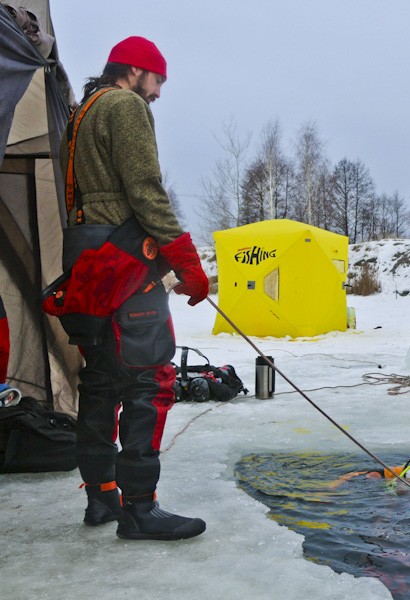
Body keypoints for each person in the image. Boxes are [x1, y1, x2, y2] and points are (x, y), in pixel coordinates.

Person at [53, 36, 208, 540]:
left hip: (83, 260)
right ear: (136, 71)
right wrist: (184, 257)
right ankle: (141, 508)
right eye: (158, 78)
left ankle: (101, 496)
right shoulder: (125, 105)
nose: (159, 91)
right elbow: (144, 189)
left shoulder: (80, 115)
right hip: (123, 267)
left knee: (99, 381)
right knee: (148, 381)